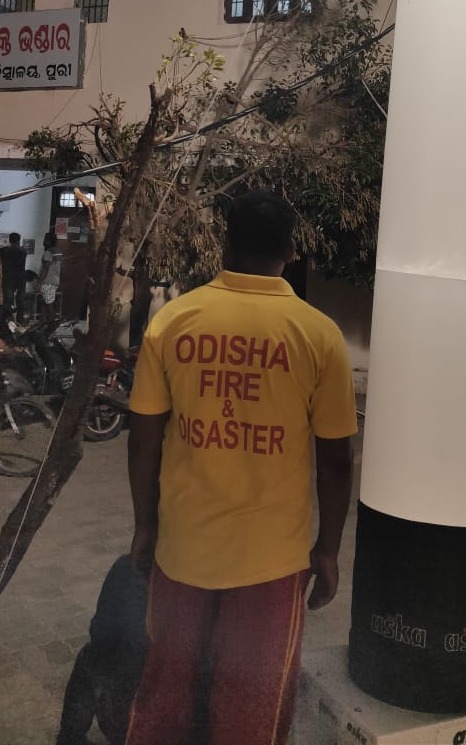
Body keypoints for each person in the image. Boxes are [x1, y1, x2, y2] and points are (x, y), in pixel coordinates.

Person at [126, 190, 357, 745]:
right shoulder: (318, 334)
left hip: (182, 548)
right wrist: (327, 550)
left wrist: (145, 526)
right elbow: (335, 461)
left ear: (225, 243)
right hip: (272, 561)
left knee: (165, 695)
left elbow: (144, 439)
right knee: (252, 711)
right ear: (292, 250)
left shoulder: (173, 321)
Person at [55, 555, 149, 745]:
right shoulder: (129, 570)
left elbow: (100, 631)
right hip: (125, 698)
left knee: (95, 658)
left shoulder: (128, 568)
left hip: (125, 698)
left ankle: (70, 737)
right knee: (98, 658)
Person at [0, 233, 27, 320]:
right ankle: (20, 320)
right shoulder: (23, 251)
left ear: (10, 240)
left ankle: (9, 320)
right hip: (21, 279)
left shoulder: (5, 250)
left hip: (8, 279)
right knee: (20, 301)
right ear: (19, 240)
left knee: (8, 302)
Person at [37, 231, 63, 323]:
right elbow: (61, 267)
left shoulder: (48, 252)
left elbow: (46, 268)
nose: (43, 241)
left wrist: (39, 282)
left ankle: (52, 324)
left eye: (45, 239)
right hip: (55, 280)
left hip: (47, 281)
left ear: (49, 241)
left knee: (48, 305)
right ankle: (42, 323)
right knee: (45, 303)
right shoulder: (58, 252)